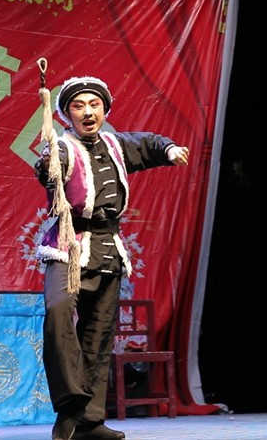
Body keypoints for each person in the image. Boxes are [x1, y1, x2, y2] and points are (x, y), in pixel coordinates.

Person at [33, 76, 189, 440]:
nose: (88, 113)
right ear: (66, 114)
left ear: (104, 110)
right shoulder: (63, 147)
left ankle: (89, 422)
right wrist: (48, 167)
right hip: (69, 244)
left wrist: (169, 150)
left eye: (94, 105)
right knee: (58, 311)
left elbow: (149, 143)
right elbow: (48, 172)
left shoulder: (116, 145)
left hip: (108, 248)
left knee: (99, 334)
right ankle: (71, 402)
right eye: (78, 106)